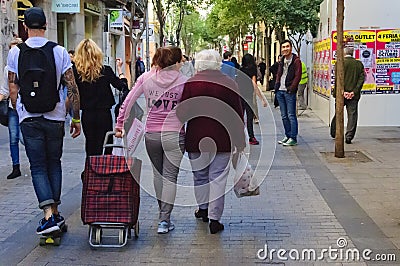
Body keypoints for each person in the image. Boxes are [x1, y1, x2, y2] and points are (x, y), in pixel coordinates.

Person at [7, 7, 81, 234]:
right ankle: (56, 214)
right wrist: (75, 118)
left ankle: (49, 216)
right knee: (54, 163)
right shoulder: (59, 51)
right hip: (55, 117)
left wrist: (18, 111)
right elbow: (72, 87)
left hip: (29, 118)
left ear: (26, 26)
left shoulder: (15, 52)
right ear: (46, 25)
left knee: (38, 166)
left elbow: (12, 87)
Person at [115, 47, 187, 234]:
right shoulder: (183, 82)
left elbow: (128, 101)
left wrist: (120, 124)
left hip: (152, 134)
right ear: (175, 62)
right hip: (175, 134)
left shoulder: (145, 78)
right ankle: (164, 220)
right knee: (170, 178)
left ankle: (162, 213)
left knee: (158, 175)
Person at [176, 49, 245, 234]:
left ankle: (203, 209)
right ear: (218, 63)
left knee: (199, 177)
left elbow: (182, 112)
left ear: (198, 64)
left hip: (196, 138)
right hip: (222, 139)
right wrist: (240, 142)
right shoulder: (229, 83)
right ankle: (215, 219)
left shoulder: (192, 83)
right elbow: (238, 114)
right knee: (218, 179)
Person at [73, 38, 128, 157]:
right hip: (104, 114)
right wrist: (120, 69)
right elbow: (123, 87)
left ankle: (91, 171)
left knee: (91, 146)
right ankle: (105, 171)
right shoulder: (105, 70)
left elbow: (72, 94)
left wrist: (74, 117)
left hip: (87, 115)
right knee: (107, 144)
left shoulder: (76, 73)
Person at [330, 46, 365, 144]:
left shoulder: (339, 63)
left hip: (341, 94)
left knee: (338, 113)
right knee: (352, 115)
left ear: (344, 53)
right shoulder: (359, 64)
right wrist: (354, 91)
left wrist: (341, 92)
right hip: (354, 95)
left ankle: (334, 132)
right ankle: (349, 136)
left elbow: (337, 79)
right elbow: (361, 79)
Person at [0, 38, 23, 179]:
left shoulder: (26, 66)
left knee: (24, 138)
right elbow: (4, 89)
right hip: (12, 108)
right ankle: (16, 167)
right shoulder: (7, 69)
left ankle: (37, 162)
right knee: (13, 138)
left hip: (27, 108)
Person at [274, 40, 302, 146]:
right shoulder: (282, 60)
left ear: (291, 48)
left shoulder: (296, 61)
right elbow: (279, 74)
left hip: (289, 91)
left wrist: (292, 88)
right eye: (283, 47)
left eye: (287, 46)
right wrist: (277, 85)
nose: (285, 49)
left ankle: (293, 137)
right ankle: (287, 135)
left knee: (291, 115)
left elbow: (297, 76)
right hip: (280, 91)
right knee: (284, 115)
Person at [237, 53, 268, 145]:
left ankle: (239, 137)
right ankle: (251, 137)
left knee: (240, 117)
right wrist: (262, 98)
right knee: (249, 117)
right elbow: (254, 85)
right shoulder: (252, 70)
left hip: (239, 95)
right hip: (248, 96)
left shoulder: (240, 70)